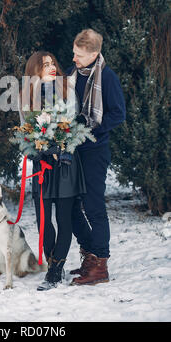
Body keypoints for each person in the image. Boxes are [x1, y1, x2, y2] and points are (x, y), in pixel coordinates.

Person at [19, 51, 86, 291]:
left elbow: (74, 126)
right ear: (34, 71)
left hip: (66, 164)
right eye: (45, 65)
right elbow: (25, 134)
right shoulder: (27, 97)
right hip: (43, 166)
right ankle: (51, 261)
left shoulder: (67, 91)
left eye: (52, 63)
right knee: (44, 220)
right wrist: (42, 151)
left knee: (64, 217)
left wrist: (59, 146)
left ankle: (56, 270)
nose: (51, 67)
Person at [66, 29, 126, 285]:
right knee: (71, 206)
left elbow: (117, 114)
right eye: (74, 53)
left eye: (79, 55)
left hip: (94, 150)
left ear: (94, 54)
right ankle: (90, 254)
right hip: (73, 149)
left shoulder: (107, 78)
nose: (74, 58)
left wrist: (89, 129)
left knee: (93, 206)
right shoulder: (73, 75)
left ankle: (100, 265)